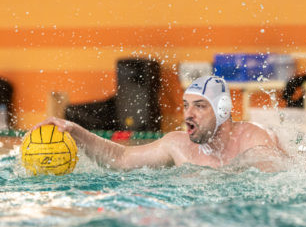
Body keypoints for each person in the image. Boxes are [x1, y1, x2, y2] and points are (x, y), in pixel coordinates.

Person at [34, 76, 287, 172]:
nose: (189, 114)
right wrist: (75, 131)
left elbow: (271, 183)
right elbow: (120, 159)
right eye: (186, 105)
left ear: (222, 110)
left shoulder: (254, 139)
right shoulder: (177, 145)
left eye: (199, 106)